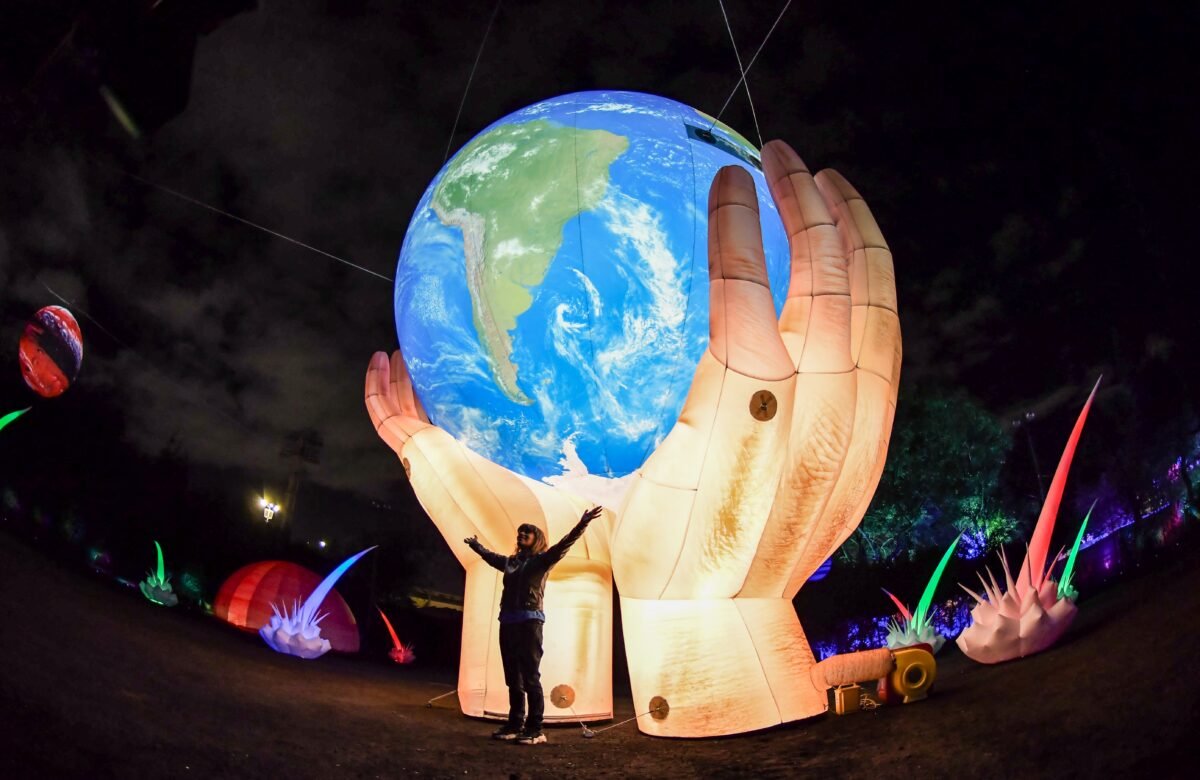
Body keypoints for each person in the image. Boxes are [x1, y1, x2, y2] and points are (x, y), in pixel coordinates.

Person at [464, 505, 603, 745]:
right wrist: (476, 546)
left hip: (530, 621)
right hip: (507, 621)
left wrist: (583, 523)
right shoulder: (510, 562)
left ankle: (535, 728)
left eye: (526, 533)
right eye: (519, 533)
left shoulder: (542, 561)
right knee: (512, 677)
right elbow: (490, 557)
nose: (520, 536)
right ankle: (515, 723)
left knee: (530, 676)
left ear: (536, 539)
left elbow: (564, 544)